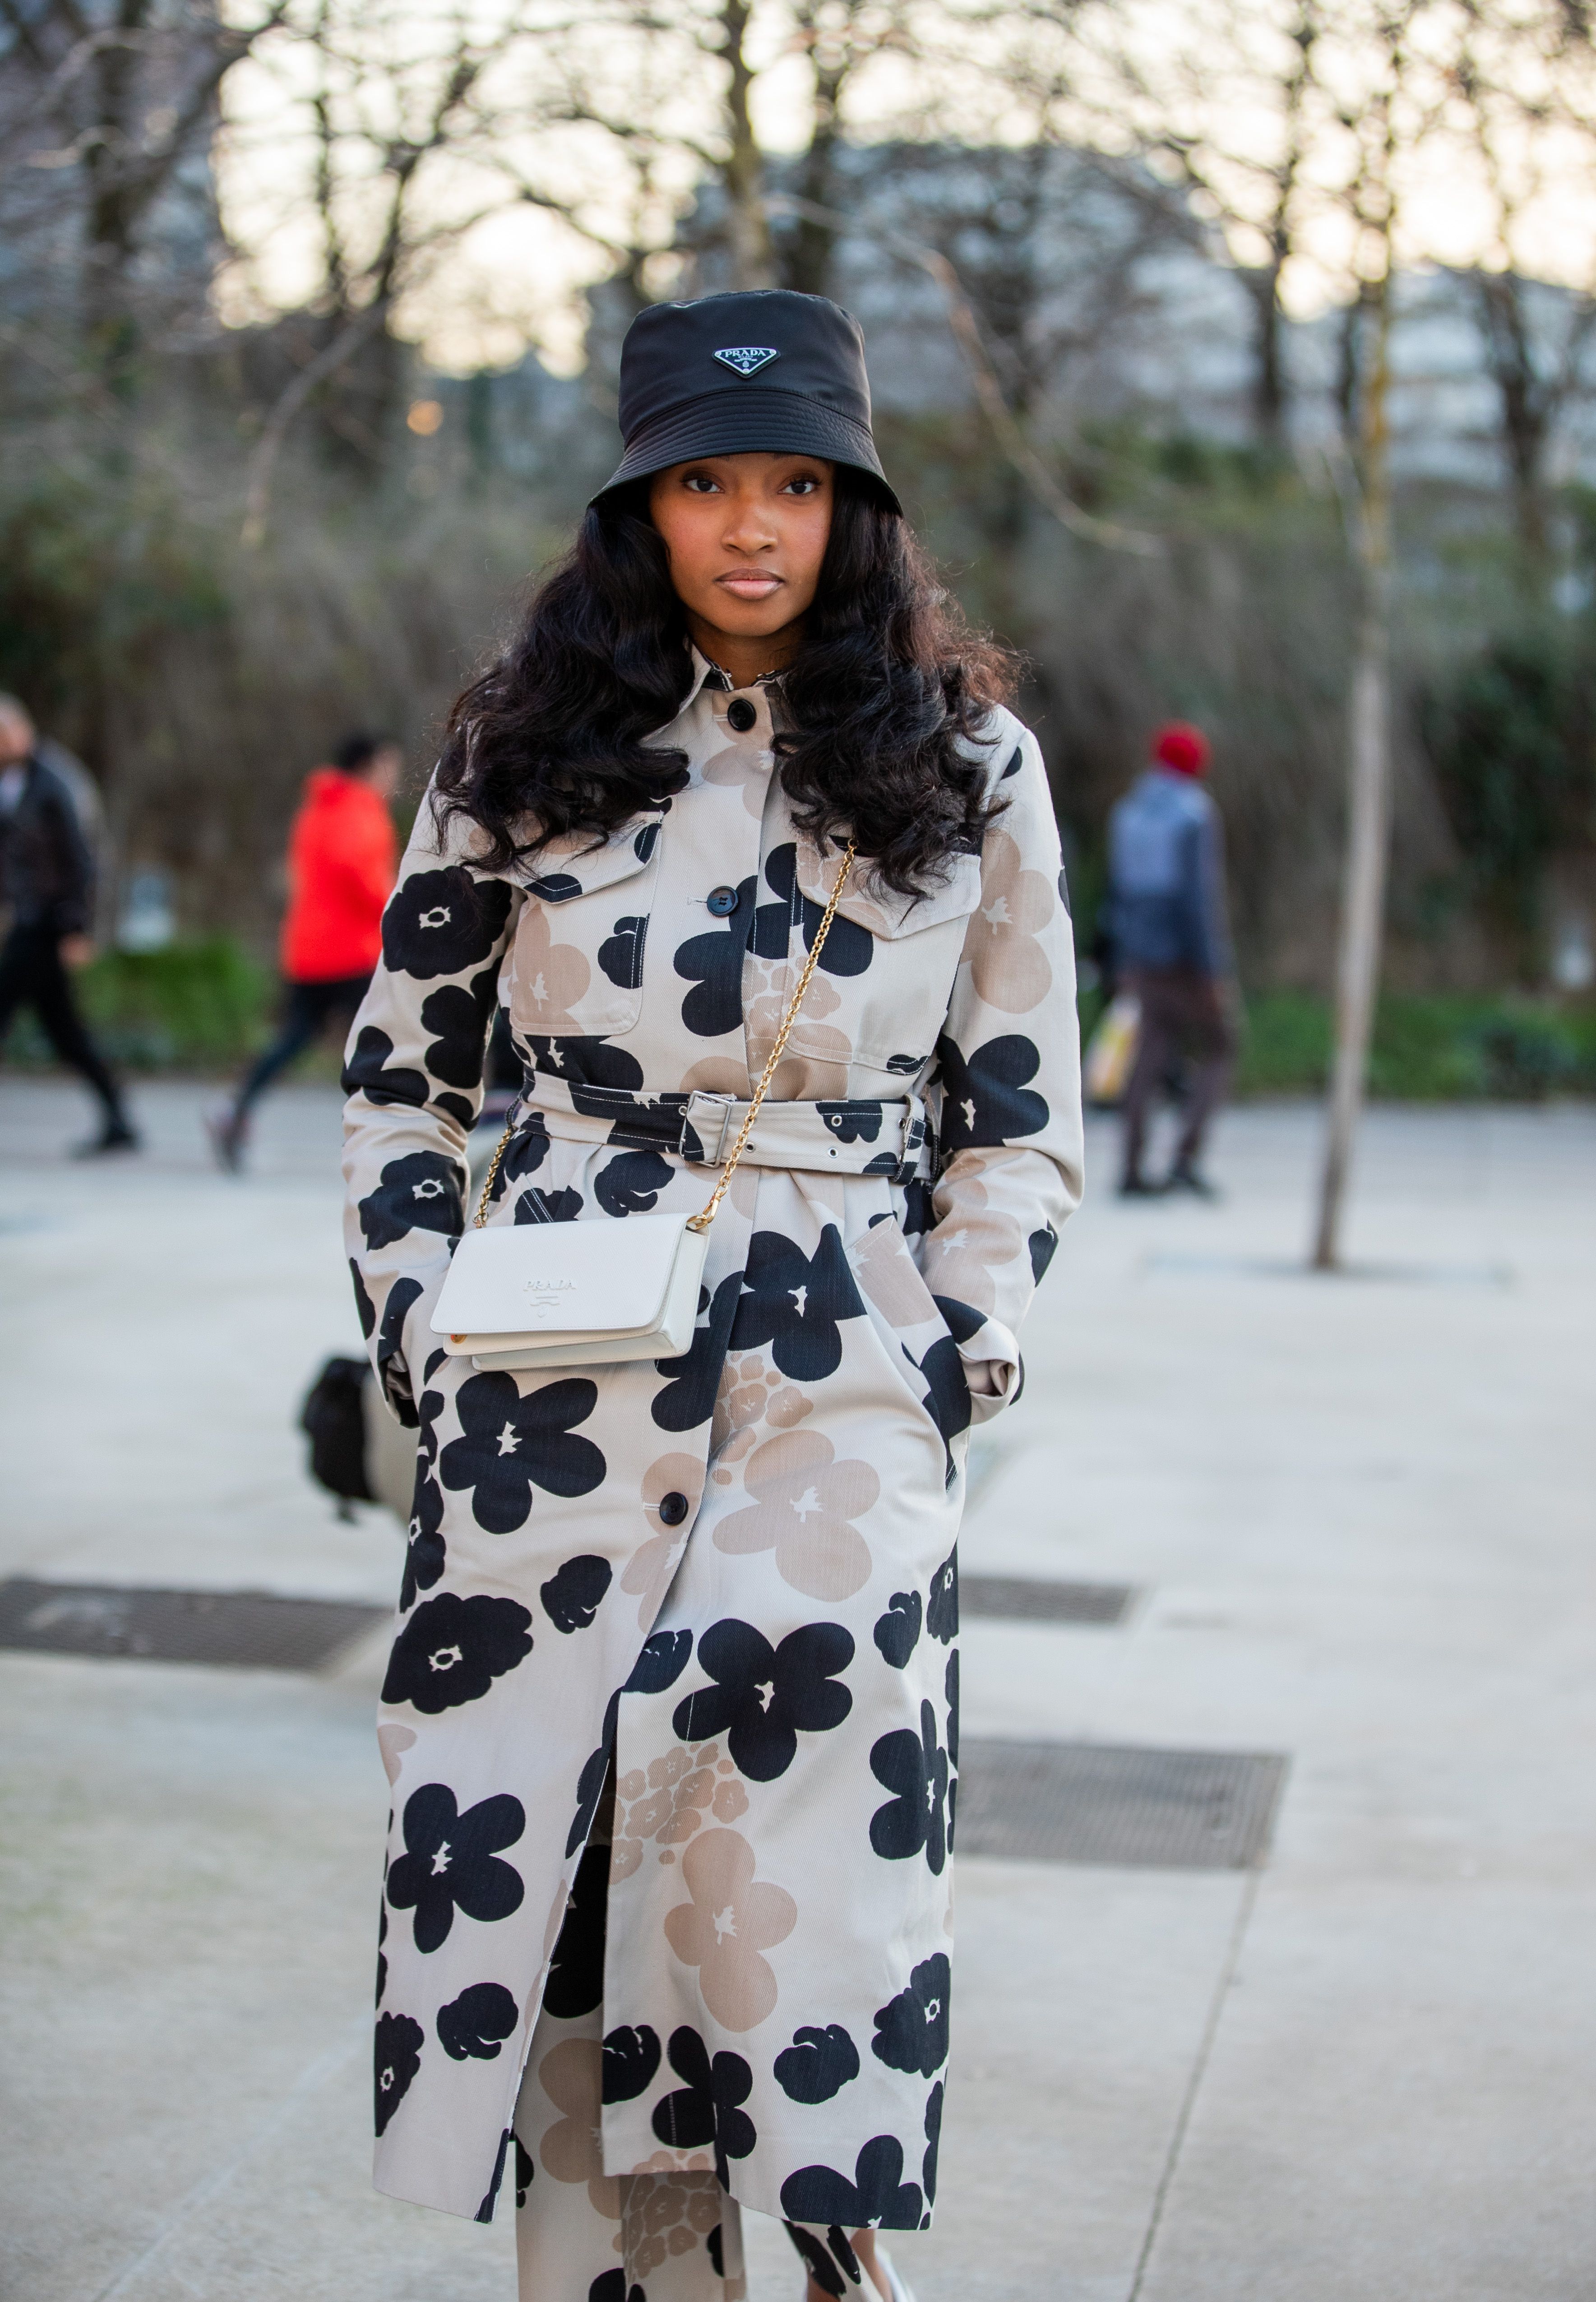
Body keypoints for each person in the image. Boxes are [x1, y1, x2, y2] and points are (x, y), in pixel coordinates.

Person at [342, 289, 1083, 2302]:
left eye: (795, 483)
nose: (752, 524)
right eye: (703, 480)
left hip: (839, 1360)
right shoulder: (520, 751)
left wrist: (958, 1344)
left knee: (769, 1777)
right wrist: (423, 1327)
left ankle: (821, 2223)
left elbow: (1020, 1116)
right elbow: (402, 1090)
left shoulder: (969, 762)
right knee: (561, 1879)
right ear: (637, 508)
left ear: (858, 510)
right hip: (550, 1367)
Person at [209, 731, 400, 1169]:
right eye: (389, 765)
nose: (393, 776)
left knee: (296, 1037)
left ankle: (234, 1108)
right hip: (350, 951)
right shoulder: (358, 807)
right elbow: (359, 873)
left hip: (309, 947)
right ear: (369, 765)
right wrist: (397, 906)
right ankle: (390, 1134)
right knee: (387, 1038)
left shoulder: (317, 806)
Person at [0, 693, 138, 1155]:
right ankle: (119, 1116)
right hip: (28, 917)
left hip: (49, 923)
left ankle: (120, 1116)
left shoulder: (54, 781)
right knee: (66, 1031)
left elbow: (82, 859)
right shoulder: (10, 780)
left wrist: (79, 928)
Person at [1106, 720, 1237, 1197]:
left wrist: (1123, 961)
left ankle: (1131, 1167)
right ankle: (1186, 1156)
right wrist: (1212, 969)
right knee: (1222, 1045)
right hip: (1184, 961)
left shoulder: (1129, 812)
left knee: (1150, 1053)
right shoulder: (1194, 814)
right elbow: (1198, 901)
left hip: (1141, 959)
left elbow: (1118, 895)